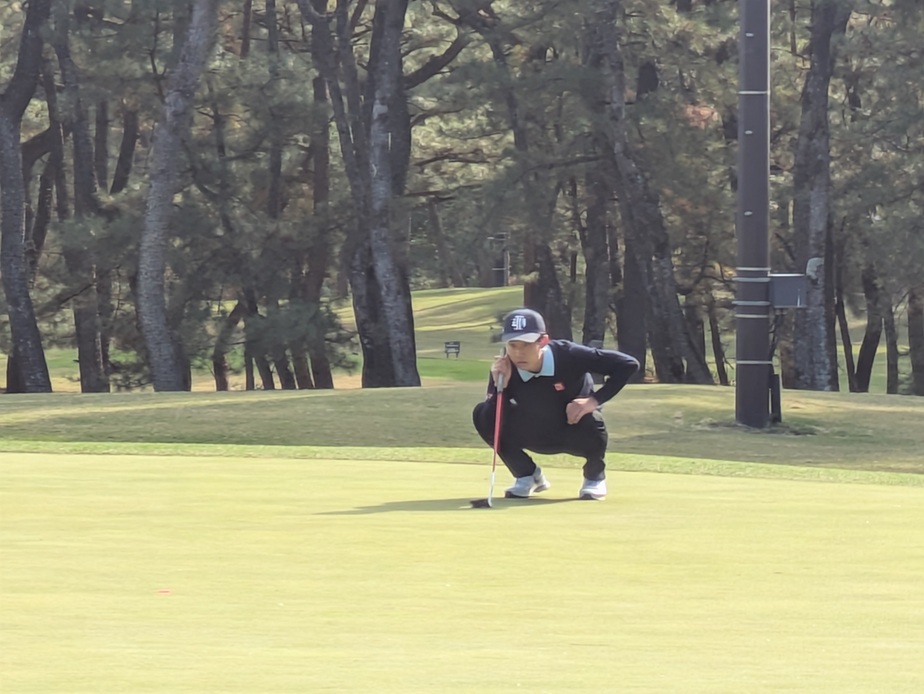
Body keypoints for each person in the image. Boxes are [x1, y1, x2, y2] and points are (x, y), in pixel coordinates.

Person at [472, 308, 639, 501]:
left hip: (574, 429)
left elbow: (628, 365)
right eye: (512, 345)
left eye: (526, 345)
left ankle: (594, 478)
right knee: (482, 414)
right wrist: (500, 388)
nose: (518, 353)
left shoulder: (569, 354)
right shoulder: (503, 368)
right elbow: (493, 419)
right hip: (533, 432)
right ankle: (527, 475)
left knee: (591, 418)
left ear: (543, 341)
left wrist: (593, 401)